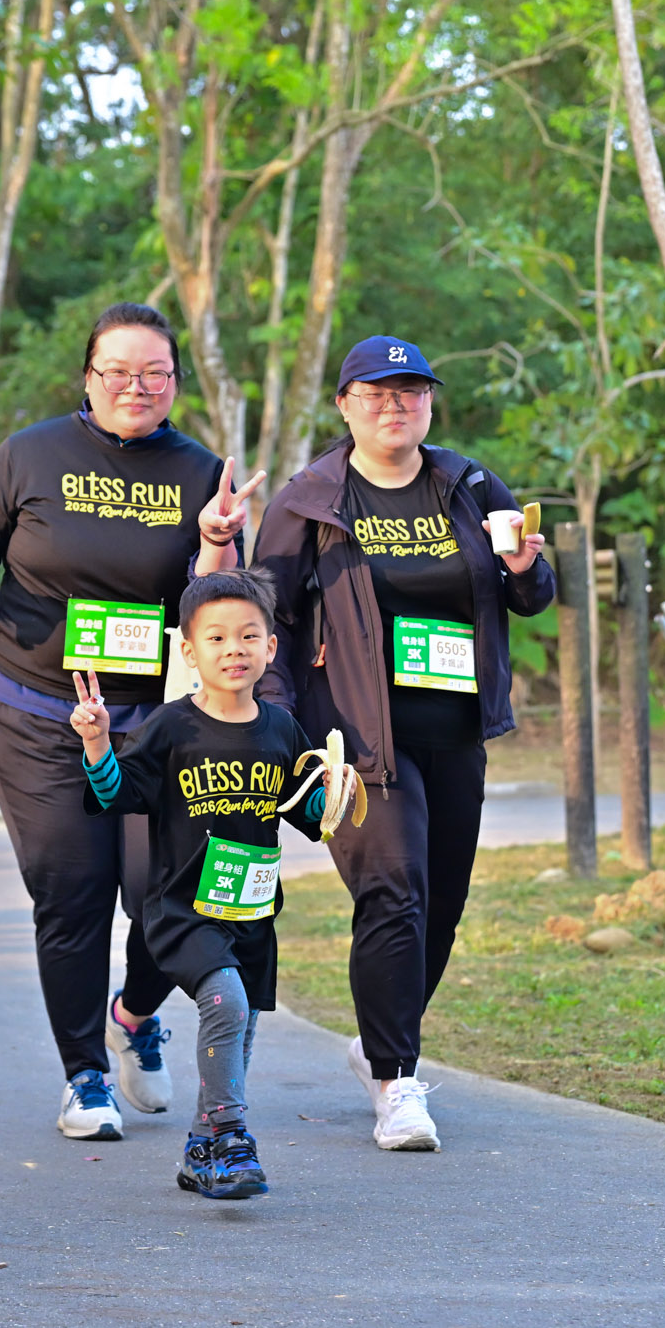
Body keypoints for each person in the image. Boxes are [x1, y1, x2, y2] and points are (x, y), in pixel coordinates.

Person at [0, 302, 262, 1140]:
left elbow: (215, 607)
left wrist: (215, 540)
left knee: (170, 894)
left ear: (176, 381)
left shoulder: (201, 472)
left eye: (155, 373)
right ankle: (84, 1075)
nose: (136, 386)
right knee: (74, 893)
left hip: (157, 727)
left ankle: (132, 1013)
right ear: (89, 377)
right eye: (118, 371)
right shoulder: (28, 455)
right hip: (42, 715)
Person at [254, 335, 554, 1152]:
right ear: (345, 404)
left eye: (412, 391)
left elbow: (532, 593)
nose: (396, 406)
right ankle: (396, 1081)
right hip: (355, 739)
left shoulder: (469, 484)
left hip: (454, 730)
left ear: (429, 403)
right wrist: (278, 725)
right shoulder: (310, 501)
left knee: (442, 904)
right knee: (395, 892)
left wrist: (526, 567)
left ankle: (379, 1038)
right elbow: (270, 620)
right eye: (377, 393)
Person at [73, 568, 331, 1198]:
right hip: (183, 907)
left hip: (253, 909)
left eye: (249, 636)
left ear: (271, 647)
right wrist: (98, 743)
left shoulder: (281, 729)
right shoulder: (171, 726)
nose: (233, 649)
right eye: (216, 638)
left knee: (239, 1031)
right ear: (189, 651)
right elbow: (115, 794)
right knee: (227, 1005)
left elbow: (309, 814)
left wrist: (338, 793)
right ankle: (233, 1138)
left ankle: (200, 1150)